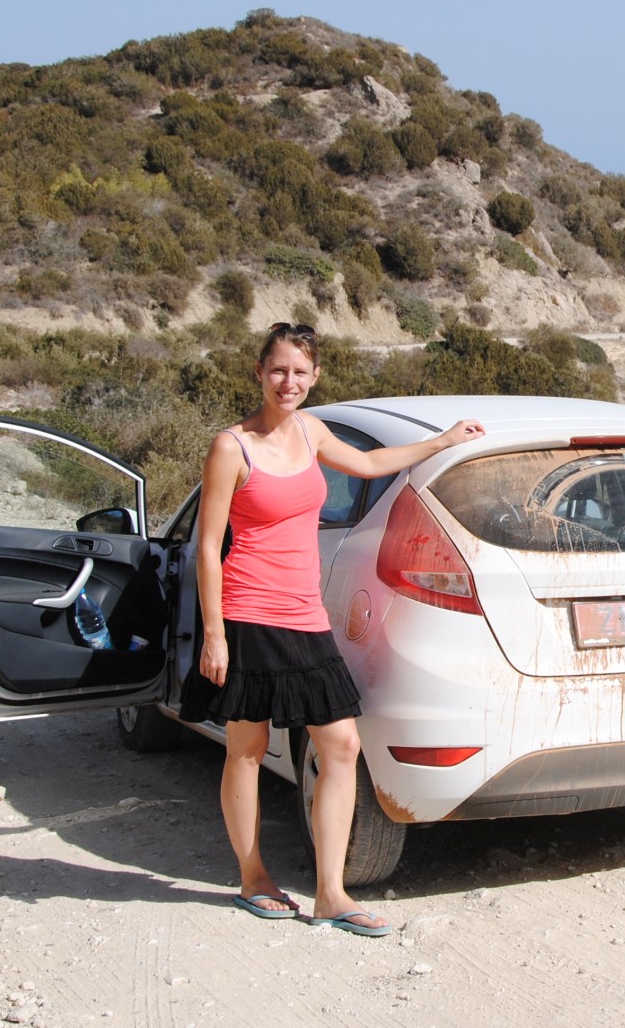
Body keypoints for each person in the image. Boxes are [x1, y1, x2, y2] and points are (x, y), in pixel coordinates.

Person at [178, 321, 484, 936]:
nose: (288, 382)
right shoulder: (230, 447)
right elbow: (208, 546)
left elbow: (371, 463)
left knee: (341, 744)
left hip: (305, 614)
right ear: (259, 373)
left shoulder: (313, 431)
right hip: (249, 615)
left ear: (314, 377)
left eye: (300, 372)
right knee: (247, 749)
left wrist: (443, 441)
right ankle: (252, 876)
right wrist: (213, 632)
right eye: (277, 370)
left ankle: (330, 892)